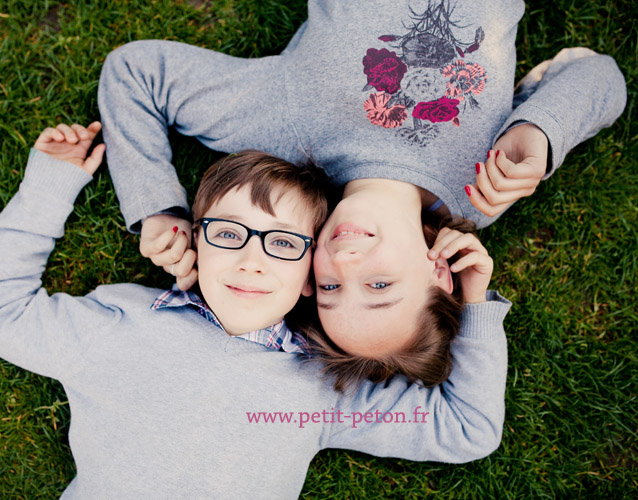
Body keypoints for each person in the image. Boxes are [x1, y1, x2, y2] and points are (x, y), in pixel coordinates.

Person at [0, 121, 510, 499]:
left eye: (283, 243)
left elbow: (467, 430)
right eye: (228, 234)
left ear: (311, 280)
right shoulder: (120, 324)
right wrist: (51, 185)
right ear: (195, 240)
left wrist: (474, 299)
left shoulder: (322, 390)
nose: (251, 260)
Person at [97, 0, 626, 384]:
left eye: (328, 290)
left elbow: (135, 72)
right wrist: (539, 130)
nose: (345, 262)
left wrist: (157, 210)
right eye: (378, 285)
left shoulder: (284, 130)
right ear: (439, 270)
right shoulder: (485, 188)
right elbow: (601, 77)